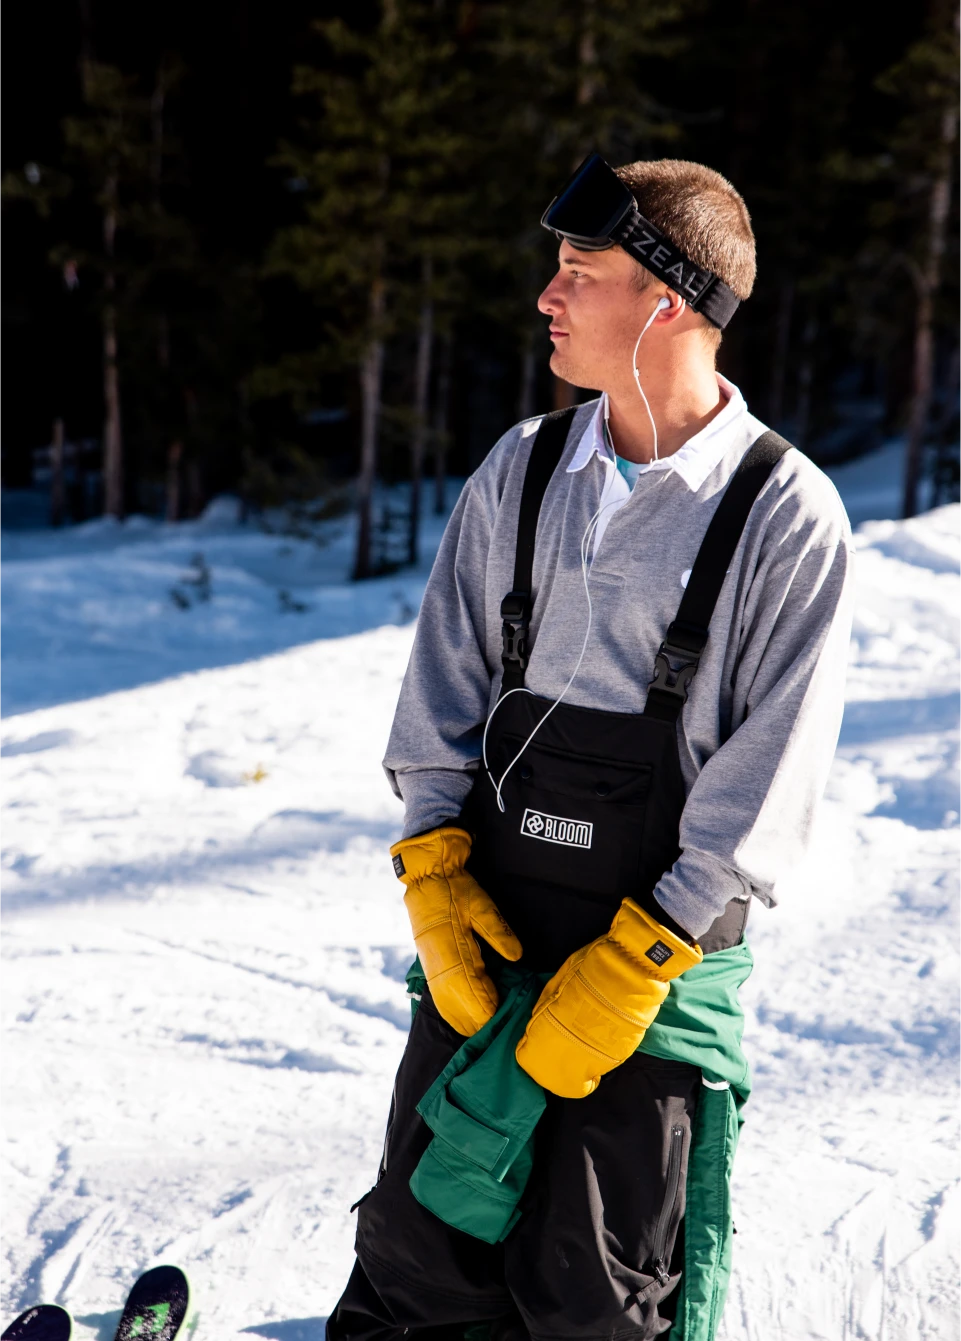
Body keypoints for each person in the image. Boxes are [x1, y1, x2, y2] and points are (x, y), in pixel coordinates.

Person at [327, 155, 854, 1341]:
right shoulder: (520, 469)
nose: (546, 297)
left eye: (578, 272)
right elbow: (442, 696)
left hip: (654, 973)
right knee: (417, 1263)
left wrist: (639, 958)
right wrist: (432, 875)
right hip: (497, 927)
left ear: (663, 302)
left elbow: (769, 779)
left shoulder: (784, 515)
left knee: (594, 1300)